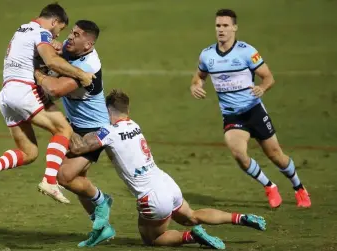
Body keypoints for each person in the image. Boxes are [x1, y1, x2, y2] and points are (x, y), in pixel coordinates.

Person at [68, 89, 267, 249]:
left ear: (109, 111)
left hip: (151, 195)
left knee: (152, 239)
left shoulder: (109, 132)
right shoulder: (134, 125)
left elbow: (79, 147)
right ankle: (240, 218)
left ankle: (191, 237)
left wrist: (64, 127)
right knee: (192, 216)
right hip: (165, 182)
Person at [189, 9, 311, 208]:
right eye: (218, 25)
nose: (221, 30)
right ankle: (269, 186)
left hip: (254, 112)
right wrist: (195, 86)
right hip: (231, 116)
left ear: (234, 28)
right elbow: (198, 77)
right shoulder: (207, 55)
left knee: (276, 156)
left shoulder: (247, 52)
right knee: (238, 153)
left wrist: (262, 88)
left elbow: (269, 77)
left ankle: (298, 187)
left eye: (226, 26)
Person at [0, 3, 95, 203]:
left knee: (29, 152)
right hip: (23, 91)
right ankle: (50, 181)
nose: (57, 35)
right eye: (59, 29)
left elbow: (35, 56)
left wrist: (52, 48)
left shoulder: (22, 30)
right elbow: (51, 61)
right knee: (63, 130)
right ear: (54, 21)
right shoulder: (42, 33)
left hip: (6, 95)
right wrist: (81, 75)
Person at [34, 20, 114, 244]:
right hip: (74, 125)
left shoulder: (88, 66)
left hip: (95, 130)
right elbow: (55, 52)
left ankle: (103, 200)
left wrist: (38, 73)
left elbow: (54, 89)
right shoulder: (72, 52)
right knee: (78, 180)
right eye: (71, 32)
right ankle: (101, 228)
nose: (70, 36)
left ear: (88, 44)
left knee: (64, 176)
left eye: (77, 35)